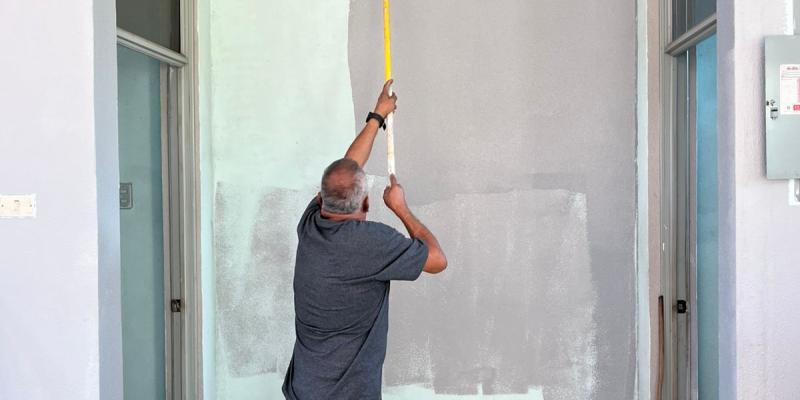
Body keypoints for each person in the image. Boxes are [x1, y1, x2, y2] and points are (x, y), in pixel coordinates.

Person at [282, 80, 448, 399]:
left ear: (323, 197)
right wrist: (402, 209)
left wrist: (377, 116)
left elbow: (348, 169)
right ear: (367, 204)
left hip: (303, 389)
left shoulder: (311, 224)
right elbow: (437, 260)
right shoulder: (370, 244)